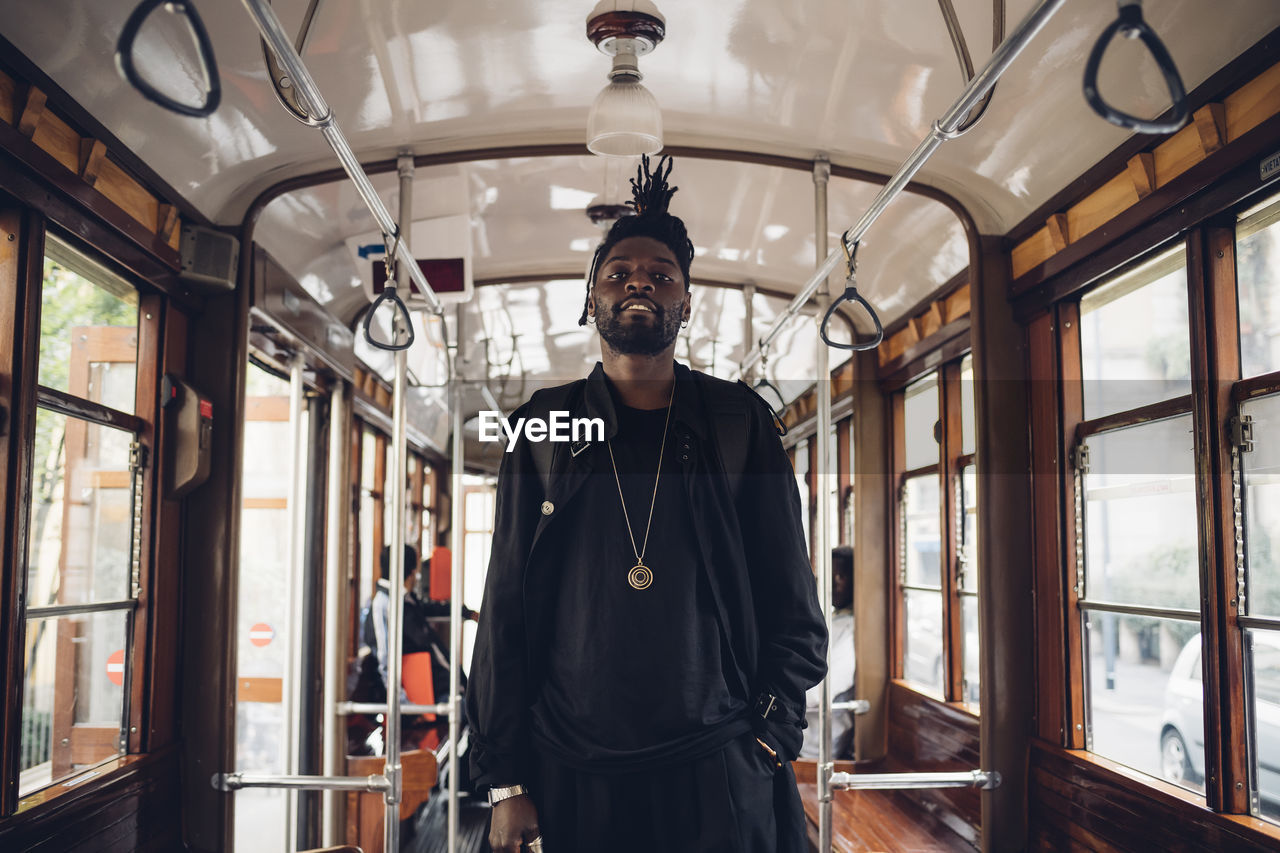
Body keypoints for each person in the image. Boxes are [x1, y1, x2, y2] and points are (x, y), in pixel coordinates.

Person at [466, 155, 827, 853]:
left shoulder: (737, 422)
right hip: (570, 768)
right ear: (592, 299)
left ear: (686, 303)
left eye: (661, 275)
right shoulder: (543, 426)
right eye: (619, 273)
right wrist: (506, 780)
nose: (639, 282)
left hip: (716, 762)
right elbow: (504, 611)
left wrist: (770, 737)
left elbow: (794, 605)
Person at [799, 545, 855, 761]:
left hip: (814, 745)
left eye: (841, 576)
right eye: (830, 576)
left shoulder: (851, 632)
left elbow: (817, 692)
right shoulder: (836, 620)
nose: (834, 583)